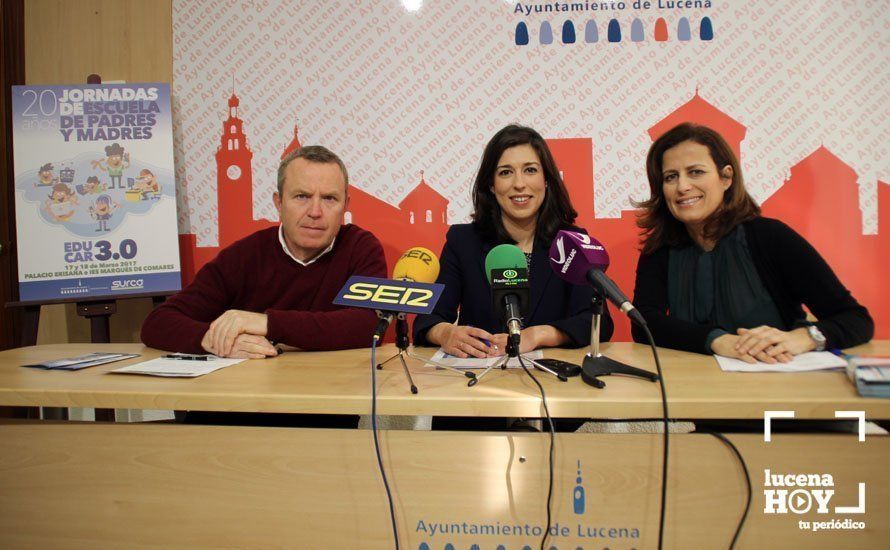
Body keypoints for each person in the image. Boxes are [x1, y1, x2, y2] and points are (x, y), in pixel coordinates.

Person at [632, 122, 873, 363]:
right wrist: (718, 340)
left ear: (726, 177)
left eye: (696, 172)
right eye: (671, 177)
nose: (682, 186)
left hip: (775, 387)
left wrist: (803, 338)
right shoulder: (660, 248)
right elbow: (643, 323)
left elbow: (855, 319)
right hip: (693, 390)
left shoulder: (771, 237)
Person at [141, 145, 387, 358]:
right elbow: (158, 323)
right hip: (237, 403)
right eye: (301, 196)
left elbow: (369, 325)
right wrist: (214, 339)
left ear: (345, 206)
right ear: (279, 203)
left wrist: (267, 323)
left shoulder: (360, 248)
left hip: (323, 402)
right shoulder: (244, 256)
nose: (315, 211)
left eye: (329, 199)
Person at [414, 124, 612, 358]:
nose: (519, 183)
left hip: (552, 382)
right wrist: (445, 332)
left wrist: (538, 335)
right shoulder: (463, 242)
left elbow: (597, 322)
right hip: (479, 381)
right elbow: (428, 318)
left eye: (530, 170)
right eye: (505, 172)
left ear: (546, 179)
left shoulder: (570, 244)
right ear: (491, 184)